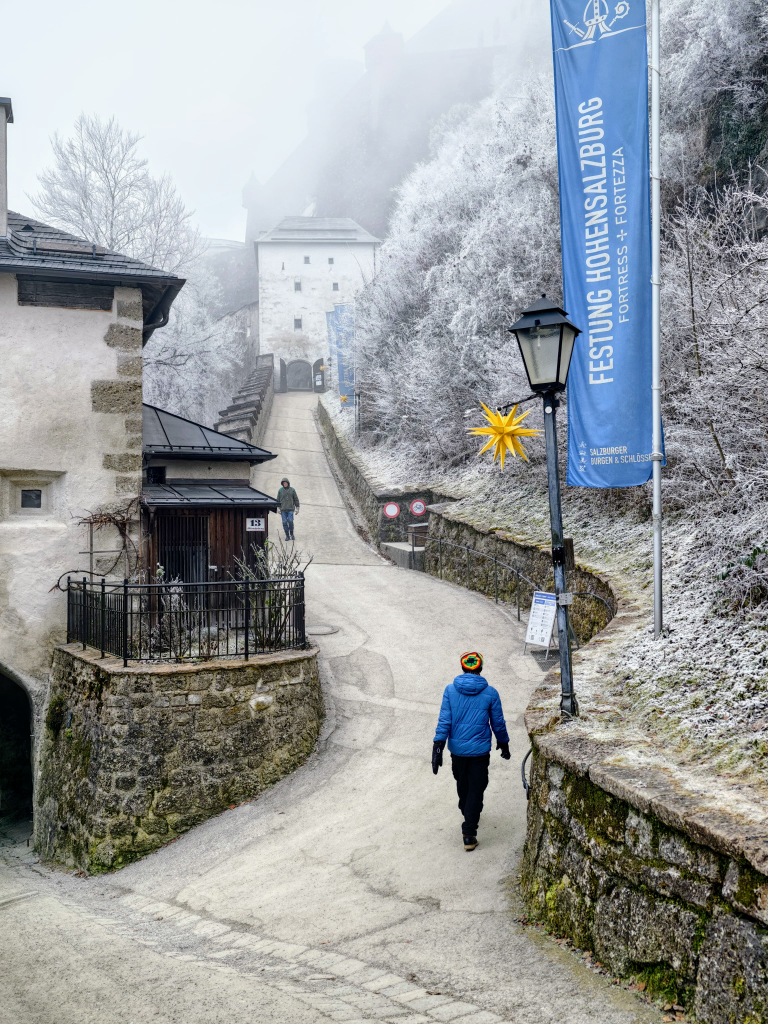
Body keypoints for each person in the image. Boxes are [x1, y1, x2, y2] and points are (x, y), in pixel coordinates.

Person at [432, 651, 510, 851]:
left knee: (463, 783)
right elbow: (498, 722)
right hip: (479, 751)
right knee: (477, 787)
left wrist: (438, 746)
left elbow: (444, 720)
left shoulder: (450, 691)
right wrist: (504, 743)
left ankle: (467, 814)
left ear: (463, 668)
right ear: (480, 669)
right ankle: (469, 833)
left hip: (457, 751)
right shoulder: (491, 693)